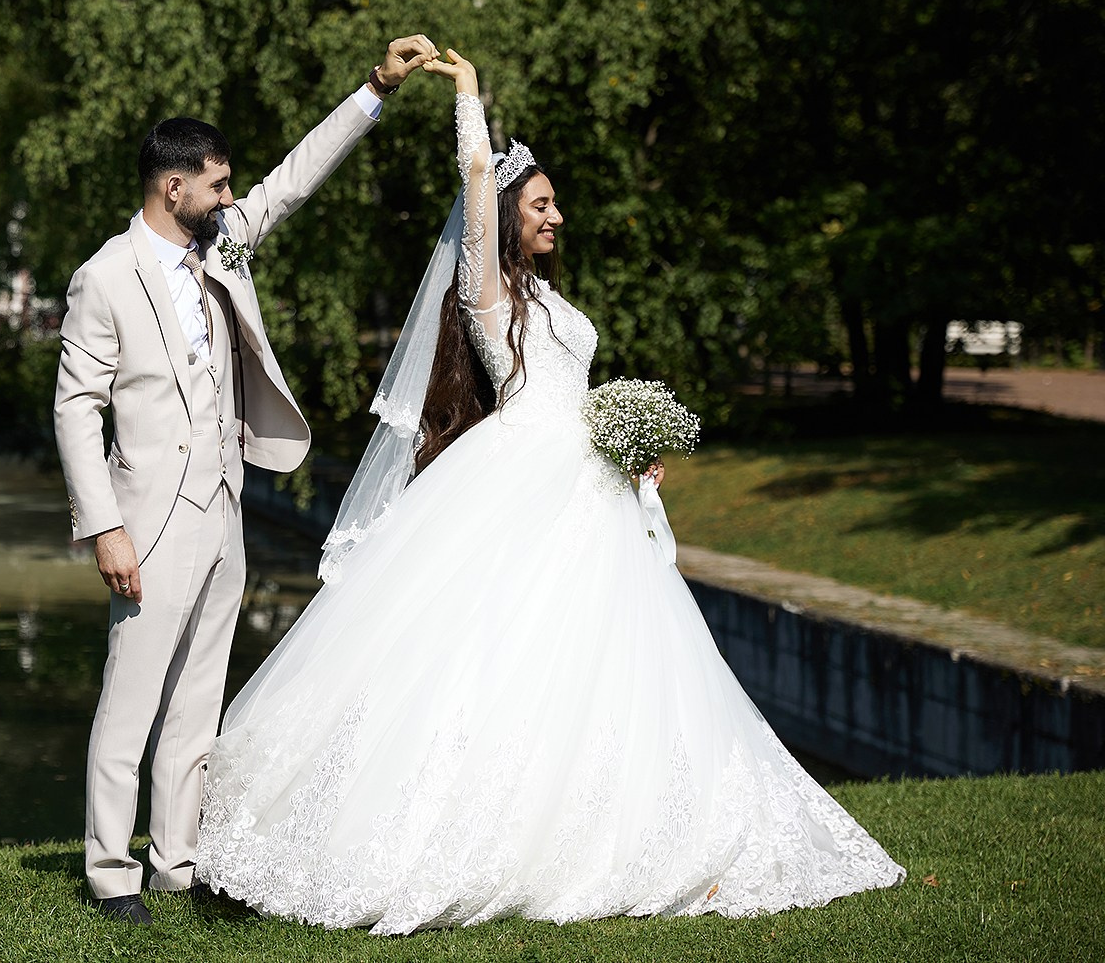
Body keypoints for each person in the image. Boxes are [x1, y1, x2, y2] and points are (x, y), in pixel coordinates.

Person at [195, 48, 905, 933]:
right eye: (541, 204)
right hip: (521, 478)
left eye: (554, 203)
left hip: (587, 482)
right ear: (504, 218)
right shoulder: (489, 293)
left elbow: (573, 389)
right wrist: (468, 99)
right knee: (503, 655)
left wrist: (624, 444)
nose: (557, 215)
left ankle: (624, 823)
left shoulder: (547, 299)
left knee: (611, 661)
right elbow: (475, 179)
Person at [53, 35, 437, 923]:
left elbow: (294, 179)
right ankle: (110, 873)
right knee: (130, 702)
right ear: (172, 187)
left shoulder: (223, 242)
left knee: (199, 700)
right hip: (147, 520)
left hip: (224, 506)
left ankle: (177, 863)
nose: (232, 197)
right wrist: (104, 527)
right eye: (218, 185)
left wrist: (376, 89)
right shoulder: (103, 278)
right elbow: (76, 410)